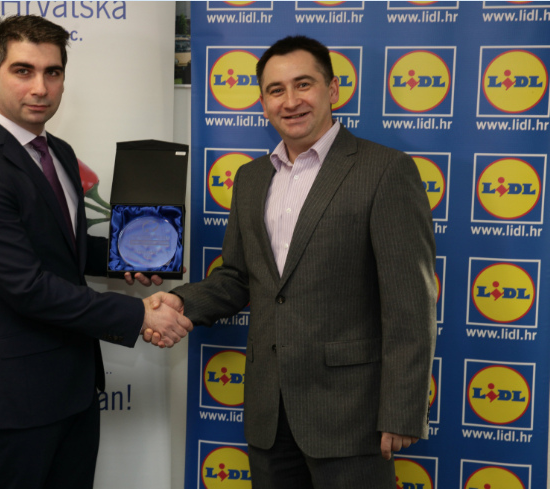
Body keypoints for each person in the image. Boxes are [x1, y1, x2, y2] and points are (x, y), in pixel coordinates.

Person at [146, 36, 436, 488]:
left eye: (304, 84)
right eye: (276, 90)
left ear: (332, 89)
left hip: (351, 416)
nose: (290, 100)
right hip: (268, 412)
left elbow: (410, 305)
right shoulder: (250, 179)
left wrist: (400, 410)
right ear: (263, 103)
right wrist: (181, 303)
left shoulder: (385, 170)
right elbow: (237, 278)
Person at [0, 14, 192, 489]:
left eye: (52, 72)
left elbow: (64, 251)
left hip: (75, 387)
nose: (41, 87)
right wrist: (139, 315)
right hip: (18, 401)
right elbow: (28, 287)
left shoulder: (57, 151)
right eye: (23, 71)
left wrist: (131, 257)